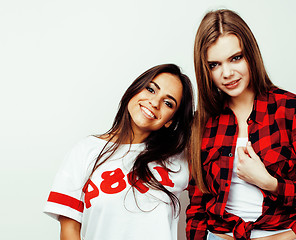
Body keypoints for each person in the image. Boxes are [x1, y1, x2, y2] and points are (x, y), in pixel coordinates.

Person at [44, 63, 194, 240]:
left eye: (168, 103)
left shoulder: (179, 159)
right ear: (136, 89)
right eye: (151, 89)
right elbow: (70, 231)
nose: (154, 103)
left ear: (170, 120)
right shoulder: (85, 151)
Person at [186, 9, 296, 240]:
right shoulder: (201, 123)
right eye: (214, 65)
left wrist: (270, 183)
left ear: (251, 55)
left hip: (281, 235)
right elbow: (197, 204)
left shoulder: (289, 109)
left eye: (236, 58)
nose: (227, 73)